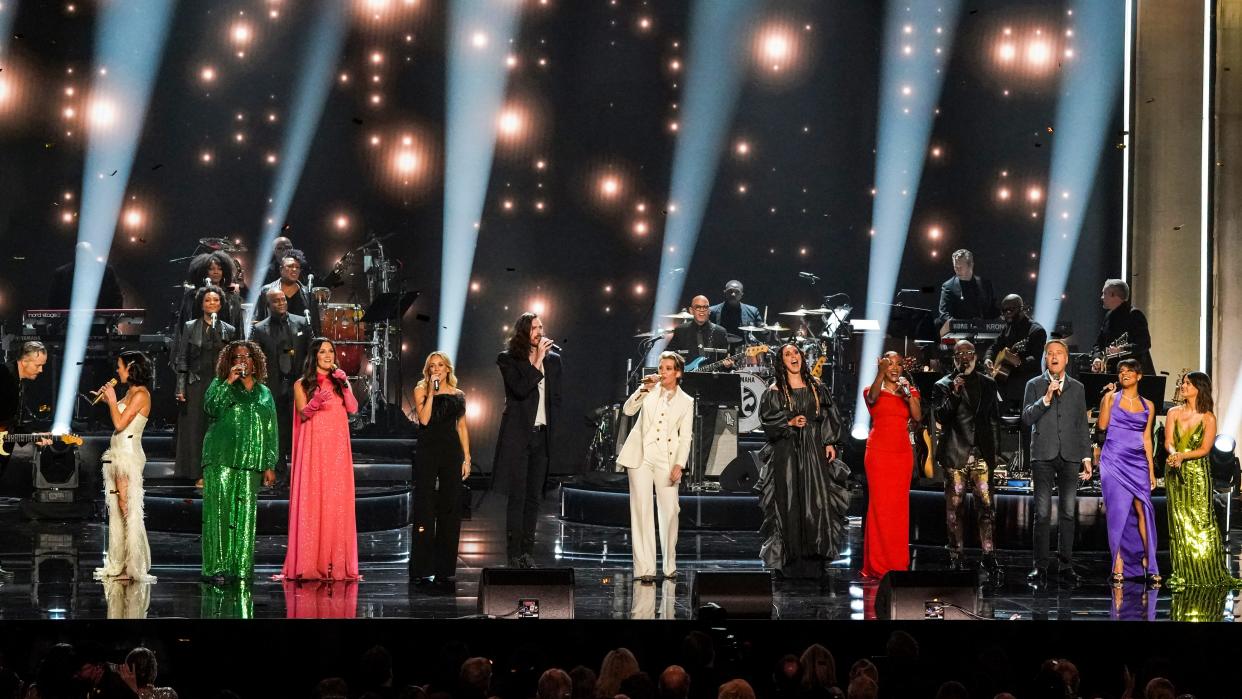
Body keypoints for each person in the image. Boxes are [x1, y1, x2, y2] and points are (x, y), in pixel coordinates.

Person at [757, 343, 848, 578]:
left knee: (815, 501)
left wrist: (829, 442)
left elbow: (829, 415)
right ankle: (790, 560)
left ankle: (815, 559)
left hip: (814, 451)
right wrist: (788, 422)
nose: (793, 357)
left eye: (796, 352)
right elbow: (768, 422)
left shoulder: (817, 387)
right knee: (789, 500)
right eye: (787, 354)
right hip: (787, 451)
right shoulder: (775, 390)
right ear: (781, 361)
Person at [281, 338, 360, 581]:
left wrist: (345, 383)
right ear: (314, 355)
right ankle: (310, 560)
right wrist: (316, 400)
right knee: (315, 499)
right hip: (314, 448)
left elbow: (354, 409)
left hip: (336, 449)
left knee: (335, 500)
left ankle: (333, 561)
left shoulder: (339, 381)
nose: (328, 355)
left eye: (331, 351)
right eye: (323, 351)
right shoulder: (302, 383)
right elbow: (303, 414)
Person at [200, 340, 278, 582]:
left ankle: (240, 567)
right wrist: (227, 383)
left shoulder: (264, 393)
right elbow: (210, 408)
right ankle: (216, 568)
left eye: (246, 357)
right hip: (220, 457)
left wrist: (269, 464)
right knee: (219, 514)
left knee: (245, 517)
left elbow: (271, 429)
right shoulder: (220, 385)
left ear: (255, 363)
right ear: (229, 362)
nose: (241, 361)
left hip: (251, 461)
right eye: (236, 357)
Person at [616, 351, 693, 583]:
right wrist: (643, 390)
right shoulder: (649, 391)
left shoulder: (686, 401)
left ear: (677, 373)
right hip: (641, 455)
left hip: (667, 458)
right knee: (641, 510)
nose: (663, 372)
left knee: (670, 512)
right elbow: (628, 410)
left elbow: (686, 436)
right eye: (661, 367)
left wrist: (680, 463)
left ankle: (669, 564)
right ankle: (645, 568)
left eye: (668, 368)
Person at [1021, 340, 1092, 587]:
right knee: (1041, 514)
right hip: (1043, 455)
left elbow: (1081, 424)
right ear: (1045, 358)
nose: (1054, 357)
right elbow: (1027, 417)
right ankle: (1039, 567)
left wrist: (1086, 456)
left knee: (1068, 513)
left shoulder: (1078, 387)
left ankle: (1065, 566)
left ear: (1066, 358)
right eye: (1049, 353)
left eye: (1059, 353)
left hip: (1071, 455)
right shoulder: (1034, 385)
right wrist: (1046, 398)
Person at [493, 312, 562, 568]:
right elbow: (520, 390)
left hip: (541, 436)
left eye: (541, 327)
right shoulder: (509, 359)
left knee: (534, 497)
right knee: (518, 496)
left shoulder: (554, 361)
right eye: (534, 327)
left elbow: (555, 399)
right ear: (523, 331)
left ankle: (527, 552)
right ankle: (513, 553)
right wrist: (537, 360)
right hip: (518, 436)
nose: (539, 331)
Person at [1163, 371, 1239, 589]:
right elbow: (1168, 440)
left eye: (1188, 383)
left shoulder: (1208, 417)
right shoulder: (1173, 413)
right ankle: (1183, 571)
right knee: (1178, 522)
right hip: (1175, 471)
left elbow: (1205, 449)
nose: (1183, 386)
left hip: (1197, 473)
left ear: (1199, 387)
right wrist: (1173, 453)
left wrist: (1182, 455)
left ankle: (1204, 570)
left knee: (1201, 521)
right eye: (1183, 383)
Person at [932, 340, 1002, 574]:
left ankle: (989, 554)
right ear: (953, 358)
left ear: (976, 356)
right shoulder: (943, 385)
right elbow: (941, 416)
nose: (964, 357)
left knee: (986, 507)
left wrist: (995, 455)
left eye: (968, 353)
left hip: (981, 454)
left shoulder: (988, 384)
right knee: (955, 508)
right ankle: (956, 554)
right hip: (955, 455)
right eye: (959, 353)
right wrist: (954, 393)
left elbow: (993, 420)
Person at [409, 351, 471, 590]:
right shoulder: (421, 390)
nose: (435, 369)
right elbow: (424, 420)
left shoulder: (458, 395)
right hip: (427, 450)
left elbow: (462, 427)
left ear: (447, 369)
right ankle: (422, 568)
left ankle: (444, 567)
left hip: (450, 450)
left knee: (449, 506)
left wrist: (467, 456)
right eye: (431, 366)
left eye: (439, 365)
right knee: (424, 506)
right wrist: (432, 393)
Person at [94, 351, 155, 582]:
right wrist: (106, 400)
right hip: (118, 452)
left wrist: (111, 400)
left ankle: (134, 566)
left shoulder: (141, 394)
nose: (117, 371)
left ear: (130, 368)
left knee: (128, 506)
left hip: (128, 455)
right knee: (119, 507)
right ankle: (121, 562)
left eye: (120, 367)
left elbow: (119, 424)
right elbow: (119, 414)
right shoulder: (130, 391)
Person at [1097, 358, 1159, 586]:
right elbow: (1102, 427)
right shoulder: (1111, 399)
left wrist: (1151, 470)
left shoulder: (1148, 405)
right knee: (1117, 513)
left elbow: (1147, 439)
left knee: (1144, 509)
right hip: (1113, 460)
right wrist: (1105, 399)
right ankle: (1118, 563)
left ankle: (1150, 564)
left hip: (1138, 463)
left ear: (1139, 376)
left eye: (1129, 371)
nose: (1124, 374)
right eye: (1121, 371)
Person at [861, 352, 920, 579]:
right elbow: (873, 399)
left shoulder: (910, 390)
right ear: (882, 365)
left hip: (902, 455)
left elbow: (917, 416)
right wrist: (879, 373)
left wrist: (908, 394)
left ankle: (897, 562)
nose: (894, 368)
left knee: (898, 510)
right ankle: (876, 564)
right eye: (890, 364)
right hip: (878, 455)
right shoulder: (871, 389)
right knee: (879, 508)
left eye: (899, 364)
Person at [174, 285, 238, 486]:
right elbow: (182, 358)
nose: (212, 303)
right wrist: (181, 387)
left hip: (220, 385)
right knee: (196, 429)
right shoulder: (191, 326)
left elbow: (232, 359)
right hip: (196, 384)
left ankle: (218, 470)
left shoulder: (229, 329)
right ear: (201, 304)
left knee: (218, 429)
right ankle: (197, 473)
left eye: (216, 300)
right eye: (208, 300)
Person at [249, 286, 313, 483]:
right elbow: (256, 360)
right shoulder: (259, 329)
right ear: (268, 305)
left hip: (298, 386)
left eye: (283, 300)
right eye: (276, 301)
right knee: (275, 430)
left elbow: (311, 355)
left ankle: (300, 473)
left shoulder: (302, 323)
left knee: (299, 429)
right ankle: (277, 471)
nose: (281, 303)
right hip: (273, 387)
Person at [0, 340, 49, 580]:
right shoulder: (4, 376)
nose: (41, 370)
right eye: (38, 365)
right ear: (25, 360)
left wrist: (32, 438)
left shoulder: (18, 382)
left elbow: (12, 424)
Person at [984, 294, 1046, 411]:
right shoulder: (1007, 327)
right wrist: (988, 358)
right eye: (1004, 310)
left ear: (1021, 308)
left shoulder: (1037, 330)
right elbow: (994, 346)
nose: (1007, 313)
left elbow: (1036, 360)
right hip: (1005, 382)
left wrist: (1019, 362)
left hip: (1025, 383)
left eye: (1011, 310)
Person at [1091, 279, 1154, 375]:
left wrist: (1121, 349)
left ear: (1113, 295)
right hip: (1114, 373)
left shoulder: (1135, 315)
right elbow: (1098, 344)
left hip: (1135, 375)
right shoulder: (1108, 316)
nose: (1102, 297)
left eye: (1104, 293)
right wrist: (1097, 358)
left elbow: (1144, 343)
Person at [174, 252, 244, 337]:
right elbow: (183, 326)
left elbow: (237, 327)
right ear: (204, 272)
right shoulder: (192, 296)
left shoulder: (231, 297)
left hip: (225, 344)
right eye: (211, 269)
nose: (216, 272)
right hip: (197, 345)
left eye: (220, 269)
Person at [254, 249, 321, 335]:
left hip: (300, 343)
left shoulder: (308, 294)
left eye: (297, 267)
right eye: (290, 266)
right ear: (281, 269)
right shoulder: (267, 291)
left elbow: (316, 325)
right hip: (273, 340)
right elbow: (258, 319)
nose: (294, 269)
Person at [935, 249, 999, 336]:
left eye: (960, 267)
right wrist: (963, 324)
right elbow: (944, 315)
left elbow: (992, 310)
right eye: (955, 267)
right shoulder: (948, 286)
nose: (957, 270)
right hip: (958, 337)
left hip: (984, 334)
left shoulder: (985, 284)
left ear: (971, 265)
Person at [666, 296, 731, 366]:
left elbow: (725, 361)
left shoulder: (720, 332)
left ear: (709, 311)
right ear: (691, 310)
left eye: (705, 307)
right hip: (686, 376)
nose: (702, 310)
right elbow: (668, 355)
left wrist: (728, 365)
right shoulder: (681, 330)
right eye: (698, 307)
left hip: (711, 376)